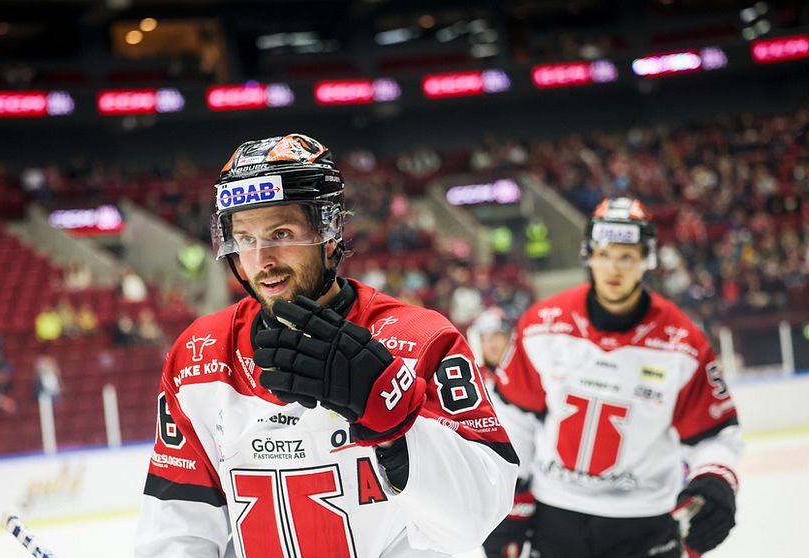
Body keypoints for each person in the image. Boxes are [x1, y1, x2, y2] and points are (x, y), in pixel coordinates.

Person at [135, 133, 518, 557]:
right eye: (245, 238)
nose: (262, 259)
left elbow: (480, 515)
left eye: (281, 233)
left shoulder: (420, 338)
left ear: (329, 233)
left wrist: (396, 429)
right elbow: (177, 526)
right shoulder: (200, 353)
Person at [484, 198, 743, 558]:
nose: (614, 268)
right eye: (604, 254)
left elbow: (713, 435)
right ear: (588, 256)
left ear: (647, 259)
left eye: (627, 256)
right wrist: (509, 498)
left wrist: (715, 479)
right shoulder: (542, 324)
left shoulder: (683, 344)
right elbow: (514, 418)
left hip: (646, 520)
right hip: (556, 516)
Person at [465, 307, 511, 390]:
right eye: (486, 340)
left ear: (508, 339)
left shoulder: (522, 372)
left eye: (496, 337)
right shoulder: (473, 378)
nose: (492, 346)